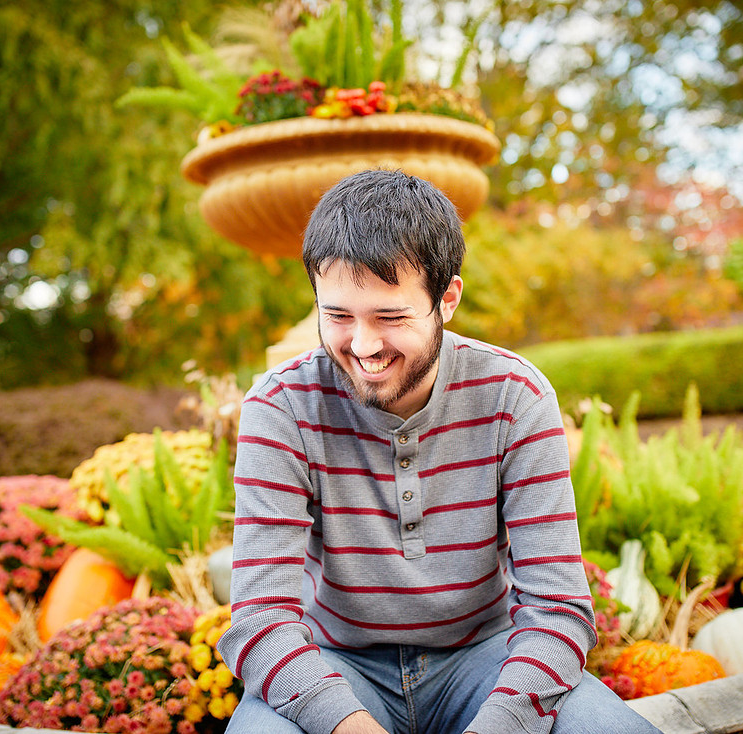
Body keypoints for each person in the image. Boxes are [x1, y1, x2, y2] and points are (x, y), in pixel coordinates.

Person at [218, 170, 660, 734]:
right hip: (338, 666)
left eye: (391, 316)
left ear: (446, 298)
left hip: (488, 660)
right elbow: (260, 620)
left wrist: (502, 723)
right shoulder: (281, 406)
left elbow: (558, 611)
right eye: (338, 316)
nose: (363, 345)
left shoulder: (515, 396)